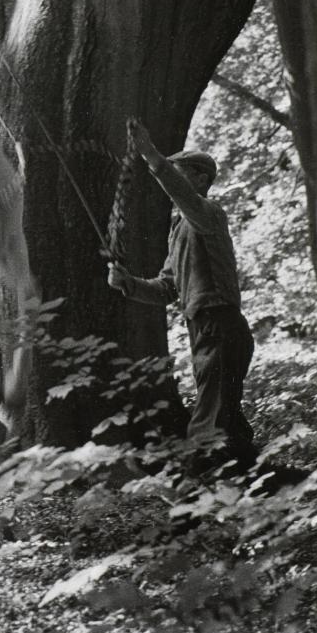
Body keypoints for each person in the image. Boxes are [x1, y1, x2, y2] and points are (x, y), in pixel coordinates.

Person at [107, 119, 257, 473]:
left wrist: (151, 155)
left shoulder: (208, 214)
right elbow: (166, 289)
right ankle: (257, 482)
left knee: (208, 421)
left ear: (201, 180)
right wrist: (127, 282)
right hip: (206, 328)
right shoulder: (180, 232)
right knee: (226, 418)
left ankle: (191, 492)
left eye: (181, 172)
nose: (173, 180)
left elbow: (181, 195)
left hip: (218, 325)